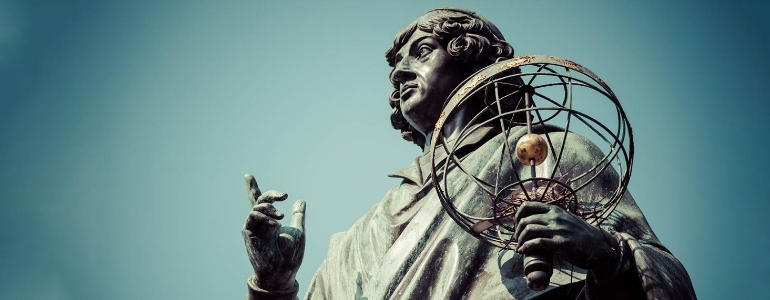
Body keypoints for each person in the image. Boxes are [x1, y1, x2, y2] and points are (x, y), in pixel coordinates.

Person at [242, 8, 696, 300]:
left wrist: (607, 255)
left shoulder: (549, 154)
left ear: (471, 59)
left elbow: (668, 287)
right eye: (395, 68)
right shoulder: (354, 243)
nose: (400, 72)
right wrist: (272, 284)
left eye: (421, 52)